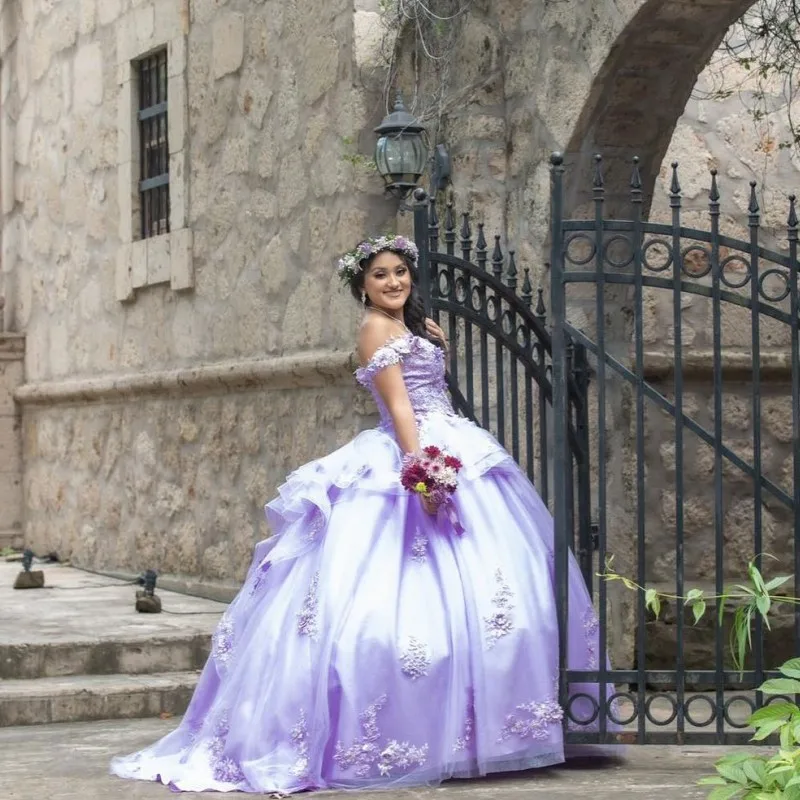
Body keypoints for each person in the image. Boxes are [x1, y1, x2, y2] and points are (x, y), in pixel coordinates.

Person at [110, 234, 611, 794]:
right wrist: (420, 470)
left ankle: (488, 733)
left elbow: (427, 386)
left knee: (493, 595)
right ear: (363, 285)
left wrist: (426, 340)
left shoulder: (409, 328)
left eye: (400, 272)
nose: (393, 282)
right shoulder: (374, 328)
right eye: (380, 275)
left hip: (451, 438)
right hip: (414, 448)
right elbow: (399, 405)